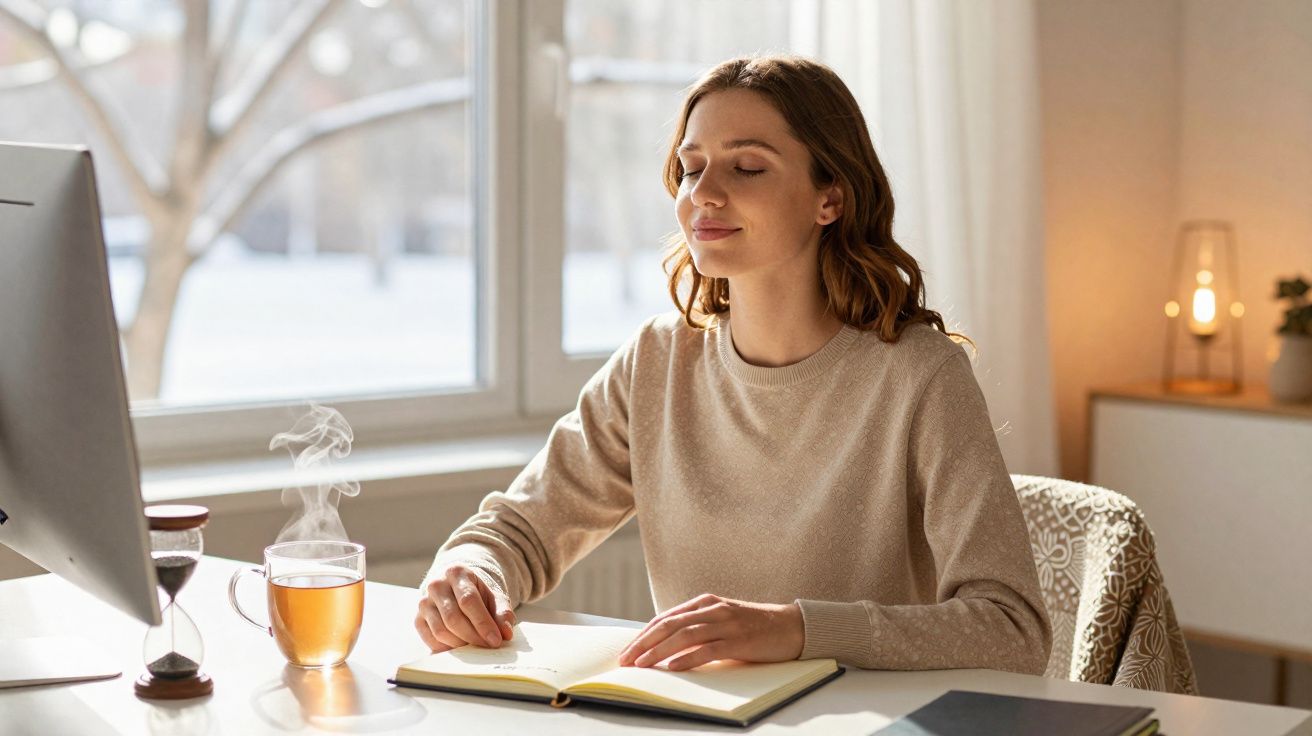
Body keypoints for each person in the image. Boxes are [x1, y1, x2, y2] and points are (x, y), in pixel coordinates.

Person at [414, 54, 1052, 675]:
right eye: (691, 170)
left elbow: (1012, 627)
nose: (705, 195)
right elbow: (520, 528)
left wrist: (796, 630)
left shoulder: (920, 376)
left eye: (747, 168)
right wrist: (471, 571)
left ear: (830, 198)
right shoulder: (658, 361)